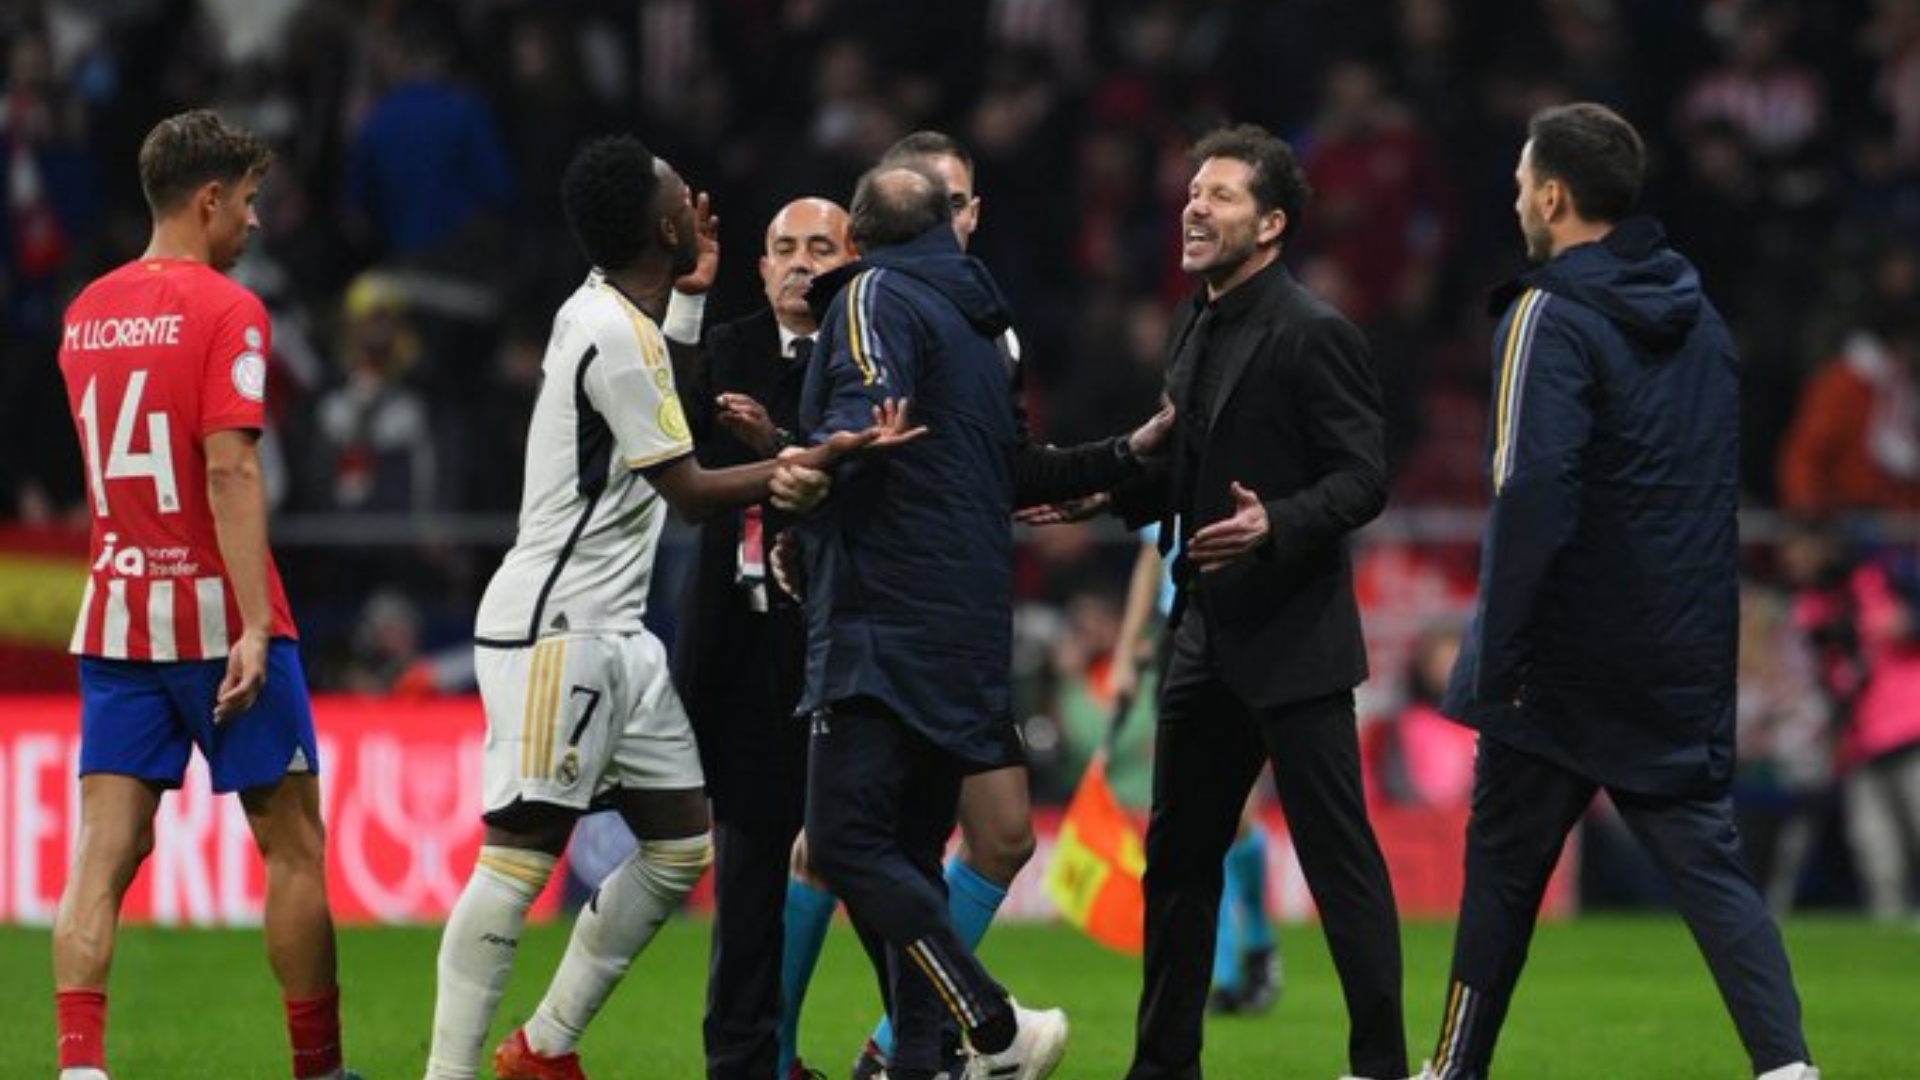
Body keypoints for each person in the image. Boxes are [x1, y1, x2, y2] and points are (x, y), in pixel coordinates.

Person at [422, 135, 913, 1080]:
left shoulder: (625, 319)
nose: (695, 201)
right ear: (660, 226)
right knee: (520, 855)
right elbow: (689, 491)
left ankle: (544, 1048)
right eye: (677, 195)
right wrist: (811, 458)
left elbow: (671, 414)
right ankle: (449, 1072)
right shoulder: (610, 331)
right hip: (558, 627)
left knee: (681, 846)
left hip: (619, 635)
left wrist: (689, 300)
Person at [1421, 102, 1818, 1080]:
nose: (1517, 197)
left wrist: (1499, 655)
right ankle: (1788, 1068)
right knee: (1712, 870)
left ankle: (1456, 1069)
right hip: (1676, 648)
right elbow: (1708, 489)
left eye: (1523, 182)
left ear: (1554, 196)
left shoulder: (1546, 315)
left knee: (1502, 870)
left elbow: (1531, 488)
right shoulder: (1702, 318)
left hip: (1560, 656)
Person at [779, 130, 1169, 1080]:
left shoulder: (870, 296)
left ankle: (986, 1018)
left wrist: (815, 464)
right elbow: (1016, 474)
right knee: (916, 854)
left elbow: (865, 411)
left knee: (844, 840)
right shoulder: (985, 330)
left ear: (861, 239)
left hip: (882, 618)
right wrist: (1125, 457)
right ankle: (915, 1059)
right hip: (970, 625)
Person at [51, 109, 360, 1080]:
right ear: (210, 198)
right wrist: (256, 626)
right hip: (223, 624)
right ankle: (317, 1069)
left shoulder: (84, 312)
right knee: (293, 848)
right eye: (251, 202)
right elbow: (229, 470)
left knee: (103, 852)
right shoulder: (231, 311)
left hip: (117, 617)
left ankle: (79, 1067)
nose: (255, 221)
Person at [1107, 122, 1407, 1080]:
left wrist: (1275, 520)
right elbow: (1182, 470)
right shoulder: (1194, 322)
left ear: (1271, 224)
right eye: (1195, 191)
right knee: (1177, 867)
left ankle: (1381, 1066)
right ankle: (1163, 1068)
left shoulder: (1315, 332)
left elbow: (1363, 479)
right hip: (1203, 634)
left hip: (1294, 640)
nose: (1196, 206)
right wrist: (1101, 494)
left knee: (1338, 865)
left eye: (1223, 195)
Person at [665, 195, 858, 1080]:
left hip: (843, 641)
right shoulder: (729, 346)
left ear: (852, 260)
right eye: (784, 248)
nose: (800, 263)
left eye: (820, 247)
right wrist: (688, 300)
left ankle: (918, 1044)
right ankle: (743, 1062)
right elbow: (665, 427)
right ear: (761, 264)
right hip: (740, 645)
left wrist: (774, 441)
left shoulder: (867, 353)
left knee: (864, 856)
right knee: (746, 866)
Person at [1108, 531, 1283, 1017]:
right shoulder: (1175, 481)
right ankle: (1222, 973)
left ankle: (1258, 939)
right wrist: (1127, 650)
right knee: (1190, 810)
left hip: (1241, 627)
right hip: (1178, 633)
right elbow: (1151, 555)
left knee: (1237, 813)